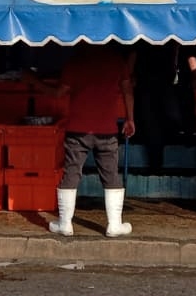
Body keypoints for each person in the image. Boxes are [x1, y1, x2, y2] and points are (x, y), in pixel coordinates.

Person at [29, 42, 135, 238]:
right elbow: (128, 90)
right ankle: (114, 225)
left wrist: (34, 81)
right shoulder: (117, 62)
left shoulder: (75, 63)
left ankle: (65, 224)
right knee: (111, 175)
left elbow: (59, 92)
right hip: (107, 130)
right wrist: (130, 119)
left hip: (77, 130)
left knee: (71, 173)